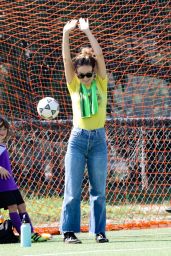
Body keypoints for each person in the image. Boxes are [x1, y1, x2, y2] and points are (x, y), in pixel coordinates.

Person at [60, 18, 109, 244]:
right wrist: (66, 33)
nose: (86, 79)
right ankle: (69, 232)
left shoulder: (100, 83)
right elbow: (66, 59)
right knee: (72, 189)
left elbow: (99, 55)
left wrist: (88, 31)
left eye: (89, 74)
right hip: (77, 139)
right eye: (82, 75)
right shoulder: (74, 85)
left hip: (98, 139)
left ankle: (99, 231)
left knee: (98, 190)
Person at [0, 115, 47, 242]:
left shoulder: (3, 145)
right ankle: (23, 234)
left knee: (22, 206)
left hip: (10, 183)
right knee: (13, 207)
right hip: (2, 185)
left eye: (4, 129)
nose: (2, 132)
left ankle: (30, 232)